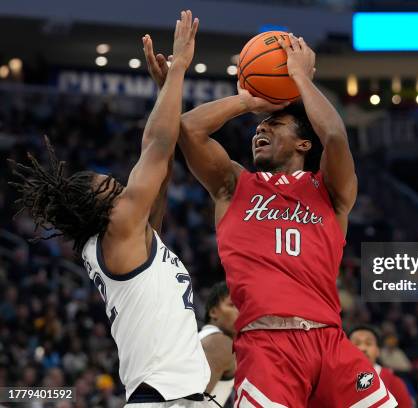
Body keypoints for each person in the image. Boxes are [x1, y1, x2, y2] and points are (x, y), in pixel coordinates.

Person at [143, 32, 396, 407]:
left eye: (274, 126)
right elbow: (190, 129)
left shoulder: (329, 190)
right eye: (260, 127)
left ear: (304, 144)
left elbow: (336, 137)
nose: (260, 129)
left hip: (329, 340)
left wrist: (300, 79)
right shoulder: (233, 186)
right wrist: (250, 101)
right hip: (266, 345)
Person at [11, 11, 210, 406]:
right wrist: (178, 71)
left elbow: (162, 161)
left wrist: (164, 92)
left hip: (173, 396)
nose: (124, 189)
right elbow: (156, 146)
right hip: (164, 398)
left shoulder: (123, 237)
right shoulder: (119, 229)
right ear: (101, 209)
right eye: (114, 190)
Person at [349, 325, 414, 408]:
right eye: (357, 343)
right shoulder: (337, 380)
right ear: (347, 349)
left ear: (378, 350)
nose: (363, 348)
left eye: (368, 343)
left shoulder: (394, 382)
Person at [200, 282, 238, 407]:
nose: (241, 311)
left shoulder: (206, 338)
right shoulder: (219, 343)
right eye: (233, 305)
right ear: (213, 312)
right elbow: (191, 404)